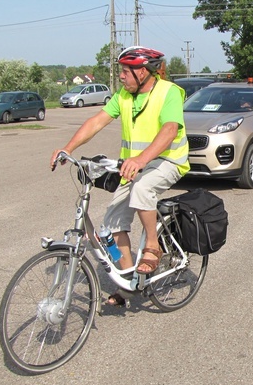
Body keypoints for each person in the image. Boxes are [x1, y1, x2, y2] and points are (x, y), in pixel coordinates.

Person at [50, 46, 189, 306]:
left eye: (126, 71)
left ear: (144, 72)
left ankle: (152, 245)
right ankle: (129, 284)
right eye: (121, 71)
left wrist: (141, 159)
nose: (122, 77)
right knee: (112, 227)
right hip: (134, 166)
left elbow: (170, 130)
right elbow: (96, 121)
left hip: (167, 161)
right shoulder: (124, 95)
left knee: (142, 189)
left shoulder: (168, 92)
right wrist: (68, 148)